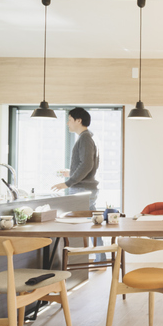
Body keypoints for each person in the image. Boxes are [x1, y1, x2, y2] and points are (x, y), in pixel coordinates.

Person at [51, 107, 104, 261]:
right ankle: (100, 258)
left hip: (82, 189)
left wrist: (68, 183)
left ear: (78, 120)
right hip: (85, 188)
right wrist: (71, 173)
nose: (67, 123)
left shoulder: (85, 138)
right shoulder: (88, 137)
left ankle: (83, 260)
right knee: (94, 223)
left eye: (69, 119)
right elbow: (87, 165)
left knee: (80, 226)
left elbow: (87, 165)